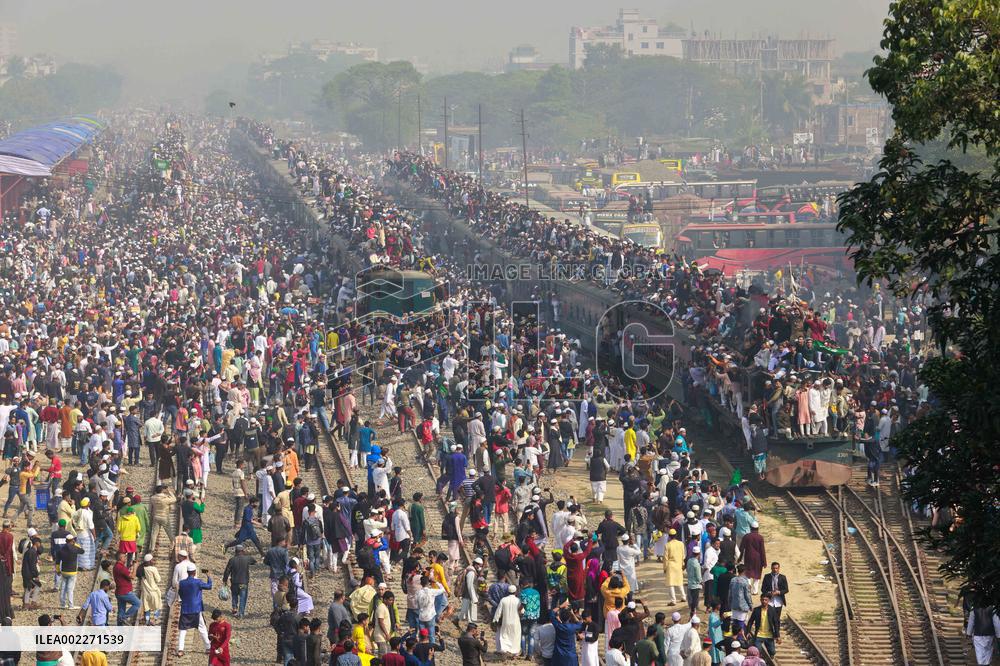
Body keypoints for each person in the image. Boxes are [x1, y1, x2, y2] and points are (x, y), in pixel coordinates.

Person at [177, 563, 212, 657]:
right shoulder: (198, 582)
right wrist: (209, 576)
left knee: (183, 630)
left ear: (187, 572)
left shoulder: (182, 583)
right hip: (196, 609)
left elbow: (180, 594)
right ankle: (208, 647)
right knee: (202, 628)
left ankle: (180, 650)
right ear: (195, 572)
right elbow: (209, 586)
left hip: (185, 609)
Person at [223, 544, 256, 618]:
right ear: (242, 551)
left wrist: (224, 580)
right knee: (243, 597)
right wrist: (246, 554)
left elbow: (227, 571)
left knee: (234, 595)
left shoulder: (232, 560)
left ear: (235, 551)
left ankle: (234, 608)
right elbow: (254, 561)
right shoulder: (247, 559)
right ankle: (241, 613)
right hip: (244, 582)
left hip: (234, 582)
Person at [493, 585, 522, 656]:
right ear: (515, 592)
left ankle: (505, 650)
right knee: (515, 637)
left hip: (505, 622)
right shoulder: (518, 600)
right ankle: (514, 653)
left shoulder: (503, 600)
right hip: (516, 622)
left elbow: (498, 612)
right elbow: (522, 611)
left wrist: (495, 620)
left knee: (505, 636)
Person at [138, 553, 162, 625]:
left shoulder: (141, 569)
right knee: (158, 606)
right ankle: (155, 619)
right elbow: (158, 580)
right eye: (152, 560)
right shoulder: (153, 569)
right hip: (153, 591)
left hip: (145, 592)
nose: (153, 561)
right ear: (149, 561)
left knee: (147, 607)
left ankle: (147, 621)